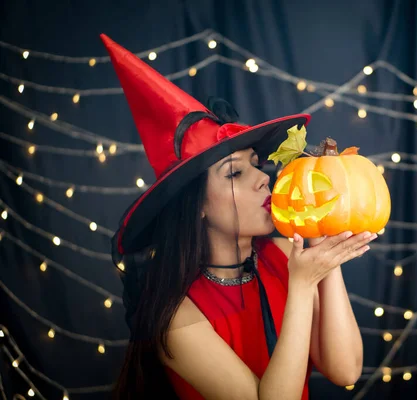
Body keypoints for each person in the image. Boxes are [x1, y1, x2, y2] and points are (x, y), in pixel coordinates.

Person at [101, 34, 375, 400]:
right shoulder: (174, 316)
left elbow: (345, 370)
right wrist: (303, 285)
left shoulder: (283, 254)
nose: (265, 178)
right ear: (196, 205)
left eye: (256, 166)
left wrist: (326, 247)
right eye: (235, 173)